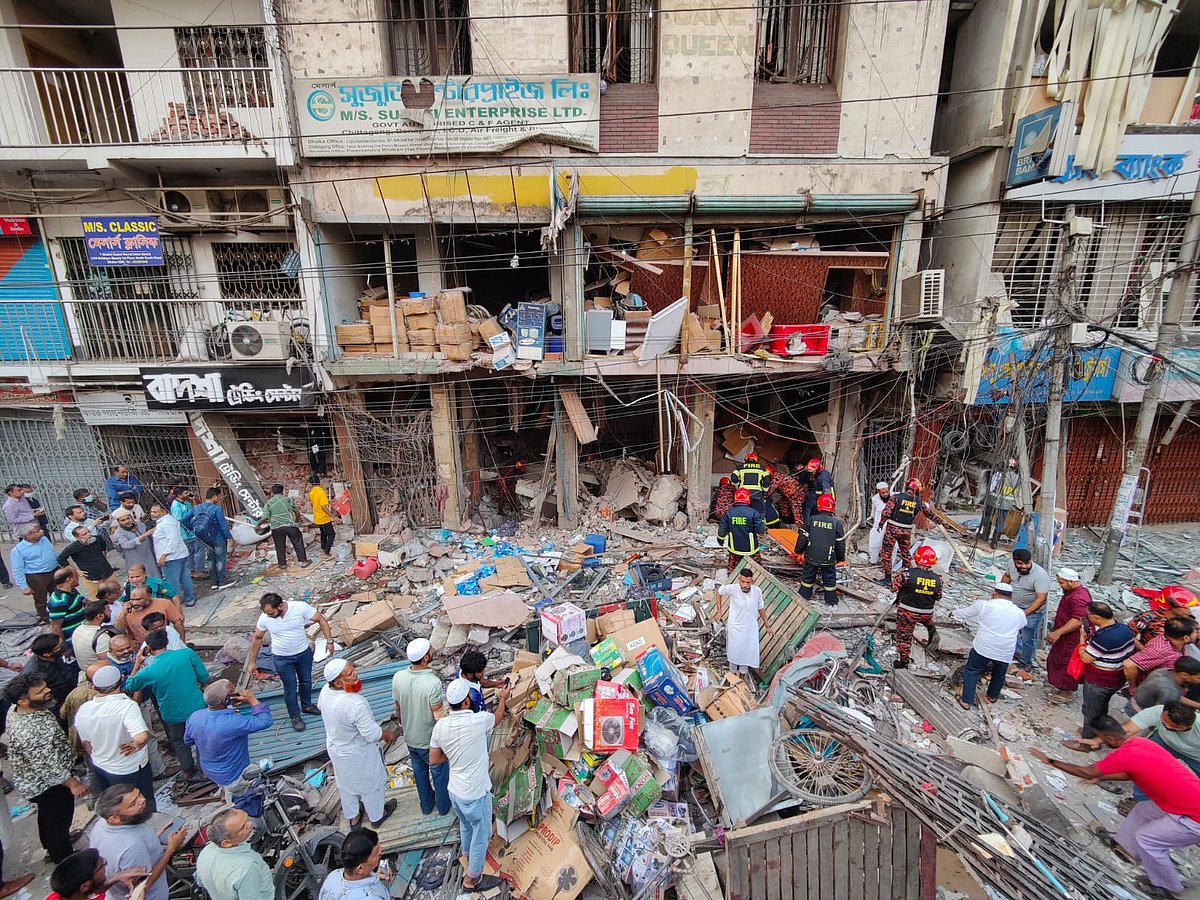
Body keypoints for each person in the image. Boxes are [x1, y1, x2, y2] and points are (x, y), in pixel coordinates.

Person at [1030, 716, 1200, 899]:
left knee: (1148, 840)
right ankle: (1126, 848)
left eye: (1101, 738)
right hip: (1186, 800)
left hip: (1193, 817)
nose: (1100, 742)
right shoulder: (1141, 743)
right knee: (1142, 811)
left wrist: (1050, 761)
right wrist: (1101, 777)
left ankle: (1172, 889)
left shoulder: (1127, 753)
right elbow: (1131, 773)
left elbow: (1086, 771)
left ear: (1110, 738)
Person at [430, 679, 511, 895]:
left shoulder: (441, 726)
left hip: (455, 791)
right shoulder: (479, 720)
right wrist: (502, 698)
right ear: (467, 701)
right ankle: (472, 878)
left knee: (465, 826)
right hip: (476, 792)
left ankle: (466, 857)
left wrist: (455, 753)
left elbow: (435, 759)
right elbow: (499, 717)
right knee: (481, 835)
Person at [3, 672, 89, 862]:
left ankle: (53, 844)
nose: (48, 690)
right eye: (40, 691)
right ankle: (63, 857)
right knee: (59, 818)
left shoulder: (21, 709)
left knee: (49, 817)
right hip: (47, 783)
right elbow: (47, 766)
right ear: (23, 701)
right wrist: (73, 783)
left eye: (45, 686)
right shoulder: (28, 731)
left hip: (43, 776)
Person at [319, 658, 398, 828]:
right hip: (358, 752)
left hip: (336, 748)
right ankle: (377, 816)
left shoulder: (325, 691)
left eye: (353, 668)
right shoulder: (355, 704)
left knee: (346, 785)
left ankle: (353, 817)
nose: (356, 674)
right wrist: (388, 734)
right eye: (350, 674)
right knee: (371, 785)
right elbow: (371, 734)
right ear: (339, 683)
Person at [125, 630, 208, 785]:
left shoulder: (149, 669)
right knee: (201, 738)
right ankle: (205, 769)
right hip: (196, 706)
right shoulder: (186, 654)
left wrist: (137, 663)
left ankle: (188, 769)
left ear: (148, 648)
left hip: (172, 712)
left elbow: (129, 685)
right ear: (167, 642)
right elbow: (203, 676)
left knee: (179, 741)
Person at [246, 593, 333, 731]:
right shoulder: (265, 618)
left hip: (303, 654)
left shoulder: (299, 608)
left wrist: (329, 641)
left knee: (306, 681)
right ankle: (295, 716)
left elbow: (320, 619)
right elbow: (257, 638)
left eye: (271, 612)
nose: (269, 616)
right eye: (267, 613)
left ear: (280, 606)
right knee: (290, 688)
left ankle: (307, 705)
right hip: (282, 658)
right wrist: (252, 662)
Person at [74, 666, 154, 805]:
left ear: (94, 687)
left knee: (118, 804)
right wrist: (136, 745)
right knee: (142, 802)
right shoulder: (126, 706)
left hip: (101, 765)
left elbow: (86, 744)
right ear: (122, 680)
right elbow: (141, 737)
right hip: (129, 767)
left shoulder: (84, 709)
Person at [1062, 601, 1136, 753]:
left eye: (1088, 616)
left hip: (1099, 680)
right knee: (1101, 707)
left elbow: (1086, 658)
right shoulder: (1123, 628)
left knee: (1091, 710)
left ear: (1096, 618)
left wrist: (1082, 639)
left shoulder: (1104, 637)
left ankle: (1087, 743)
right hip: (1116, 677)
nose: (1087, 619)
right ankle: (1098, 732)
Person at [90, 786, 186, 900]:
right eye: (133, 803)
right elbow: (144, 886)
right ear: (114, 818)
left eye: (139, 794)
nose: (142, 800)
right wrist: (171, 848)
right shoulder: (132, 847)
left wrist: (152, 839)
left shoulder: (102, 824)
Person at [390, 639, 449, 816]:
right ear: (425, 658)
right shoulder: (432, 683)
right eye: (430, 651)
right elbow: (438, 716)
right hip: (429, 740)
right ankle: (444, 807)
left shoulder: (398, 677)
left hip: (410, 737)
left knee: (420, 773)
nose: (432, 652)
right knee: (439, 773)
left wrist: (404, 725)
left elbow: (398, 708)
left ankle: (426, 806)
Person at [184, 680, 273, 795]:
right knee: (241, 799)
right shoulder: (232, 722)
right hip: (233, 774)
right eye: (233, 691)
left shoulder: (195, 716)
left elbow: (188, 741)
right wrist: (252, 700)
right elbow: (265, 721)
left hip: (209, 770)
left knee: (226, 788)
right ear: (225, 700)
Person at [951, 582, 1026, 709]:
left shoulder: (984, 605)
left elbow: (965, 613)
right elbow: (1022, 625)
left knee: (972, 670)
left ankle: (966, 700)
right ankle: (992, 696)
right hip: (1005, 649)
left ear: (994, 594)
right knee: (999, 673)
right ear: (1010, 597)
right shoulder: (1019, 612)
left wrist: (954, 613)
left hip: (984, 646)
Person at [196, 808, 274, 900]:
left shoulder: (205, 852)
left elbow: (200, 881)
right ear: (226, 843)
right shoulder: (247, 867)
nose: (250, 824)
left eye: (247, 819)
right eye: (242, 827)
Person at [1001, 549, 1052, 683]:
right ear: (1014, 561)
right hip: (1014, 606)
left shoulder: (1040, 575)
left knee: (1028, 636)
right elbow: (1007, 577)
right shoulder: (1011, 566)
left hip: (1032, 611)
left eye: (1027, 563)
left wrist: (1023, 614)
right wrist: (1000, 591)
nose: (1024, 566)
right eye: (1020, 563)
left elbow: (1041, 599)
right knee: (1011, 631)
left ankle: (1026, 662)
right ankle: (1014, 653)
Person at [1044, 566, 1093, 702]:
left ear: (1070, 582)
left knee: (1067, 662)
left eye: (1062, 583)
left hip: (1072, 637)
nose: (1060, 585)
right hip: (1066, 635)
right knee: (1057, 659)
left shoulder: (1078, 597)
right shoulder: (1076, 593)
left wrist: (1058, 632)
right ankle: (1059, 685)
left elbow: (1078, 620)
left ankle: (1066, 692)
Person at [890, 544, 942, 669]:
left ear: (917, 559)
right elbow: (938, 597)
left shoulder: (907, 574)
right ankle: (931, 628)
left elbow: (893, 588)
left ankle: (903, 661)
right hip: (926, 612)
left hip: (908, 612)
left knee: (904, 637)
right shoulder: (938, 579)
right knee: (926, 620)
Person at [714, 569, 774, 675]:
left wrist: (767, 625)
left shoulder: (757, 591)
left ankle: (741, 678)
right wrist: (719, 611)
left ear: (752, 581)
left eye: (748, 582)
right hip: (735, 627)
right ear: (739, 580)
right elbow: (719, 592)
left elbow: (761, 608)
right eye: (743, 582)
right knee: (734, 653)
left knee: (747, 653)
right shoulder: (733, 589)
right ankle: (732, 677)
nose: (745, 585)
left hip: (750, 628)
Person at [793, 493, 845, 607]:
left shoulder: (811, 520)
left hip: (811, 556)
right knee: (830, 579)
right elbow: (840, 543)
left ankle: (804, 596)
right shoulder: (836, 524)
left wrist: (798, 551)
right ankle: (831, 600)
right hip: (828, 558)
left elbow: (803, 538)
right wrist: (841, 558)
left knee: (807, 577)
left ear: (818, 505)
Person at [1124, 617, 1197, 691]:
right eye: (1195, 632)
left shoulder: (1172, 639)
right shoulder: (1160, 650)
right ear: (1186, 638)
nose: (1197, 634)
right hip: (1155, 689)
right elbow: (1129, 664)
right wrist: (1133, 687)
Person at [317, 827, 392, 900]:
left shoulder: (333, 876)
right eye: (376, 852)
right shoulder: (372, 897)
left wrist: (375, 876)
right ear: (360, 868)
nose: (380, 852)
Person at [47, 849, 147, 900]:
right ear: (84, 886)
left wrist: (116, 877)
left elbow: (93, 890)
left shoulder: (58, 895)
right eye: (101, 866)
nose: (105, 866)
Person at [877, 478, 926, 581]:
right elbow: (929, 514)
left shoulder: (896, 497)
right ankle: (909, 577)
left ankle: (887, 578)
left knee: (886, 554)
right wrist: (941, 522)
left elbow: (886, 513)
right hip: (906, 531)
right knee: (905, 553)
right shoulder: (919, 502)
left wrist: (881, 523)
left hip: (892, 529)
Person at [11, 523, 60, 621]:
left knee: (59, 595)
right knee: (41, 600)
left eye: (40, 529)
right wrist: (24, 587)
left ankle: (60, 614)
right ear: (28, 535)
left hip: (54, 571)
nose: (42, 531)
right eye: (38, 531)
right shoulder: (18, 550)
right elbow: (17, 569)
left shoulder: (44, 540)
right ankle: (45, 618)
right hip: (37, 577)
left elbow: (53, 553)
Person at [189, 488, 235, 590]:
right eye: (218, 496)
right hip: (218, 538)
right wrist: (230, 537)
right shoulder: (216, 508)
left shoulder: (196, 508)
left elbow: (183, 520)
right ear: (214, 497)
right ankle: (222, 582)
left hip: (205, 538)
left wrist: (192, 529)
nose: (219, 498)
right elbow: (223, 525)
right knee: (220, 559)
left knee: (210, 560)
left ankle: (214, 583)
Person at [149, 504, 194, 607]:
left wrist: (164, 555)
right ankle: (189, 599)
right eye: (152, 512)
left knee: (172, 582)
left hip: (172, 557)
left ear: (163, 512)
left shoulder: (167, 523)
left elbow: (173, 540)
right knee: (184, 578)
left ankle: (176, 604)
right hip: (178, 555)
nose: (153, 514)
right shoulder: (165, 522)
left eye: (155, 512)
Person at [1129, 586, 1199, 650]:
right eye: (1186, 608)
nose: (1190, 610)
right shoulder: (1148, 618)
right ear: (1172, 606)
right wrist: (1144, 650)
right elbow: (1129, 635)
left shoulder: (1189, 619)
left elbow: (1197, 636)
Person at [259, 484, 310, 570]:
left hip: (276, 527)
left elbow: (265, 517)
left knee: (279, 545)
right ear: (282, 491)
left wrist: (257, 525)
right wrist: (297, 521)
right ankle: (303, 561)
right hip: (290, 525)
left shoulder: (269, 503)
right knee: (298, 542)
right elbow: (297, 512)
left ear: (272, 492)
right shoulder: (288, 500)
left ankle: (282, 564)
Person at [24, 632, 79, 712]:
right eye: (60, 646)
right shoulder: (34, 672)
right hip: (57, 704)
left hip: (69, 691)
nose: (63, 647)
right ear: (47, 654)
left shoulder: (55, 656)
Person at [58, 526, 115, 600]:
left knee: (115, 593)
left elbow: (103, 548)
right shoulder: (73, 548)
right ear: (77, 538)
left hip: (108, 572)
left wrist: (103, 559)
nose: (89, 535)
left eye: (88, 532)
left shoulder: (97, 539)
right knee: (97, 599)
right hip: (92, 577)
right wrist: (76, 571)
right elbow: (61, 559)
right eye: (84, 534)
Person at [718, 488, 767, 574]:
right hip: (751, 548)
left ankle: (733, 584)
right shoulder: (753, 513)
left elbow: (722, 530)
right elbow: (760, 530)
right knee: (756, 570)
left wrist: (720, 540)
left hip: (734, 548)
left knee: (733, 571)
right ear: (748, 498)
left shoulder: (729, 513)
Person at [1129, 657, 1200, 714]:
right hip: (1138, 713)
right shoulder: (1169, 690)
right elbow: (1156, 713)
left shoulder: (1165, 671)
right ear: (1184, 675)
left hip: (1134, 703)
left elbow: (1177, 696)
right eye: (1198, 678)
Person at [117, 587, 186, 646]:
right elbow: (119, 631)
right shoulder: (127, 610)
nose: (135, 603)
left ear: (149, 596)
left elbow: (177, 622)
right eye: (132, 599)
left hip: (166, 643)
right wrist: (123, 614)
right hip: (143, 647)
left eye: (139, 599)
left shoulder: (164, 603)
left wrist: (182, 641)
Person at [978, 458, 1022, 547]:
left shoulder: (998, 474)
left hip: (993, 499)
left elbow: (991, 486)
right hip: (1007, 502)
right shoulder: (1018, 477)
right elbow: (1017, 492)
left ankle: (985, 535)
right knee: (1001, 521)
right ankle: (995, 541)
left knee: (987, 516)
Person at [169, 487, 207, 580]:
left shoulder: (186, 502)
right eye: (185, 493)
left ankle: (193, 570)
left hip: (190, 531)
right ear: (179, 495)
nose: (187, 494)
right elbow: (179, 520)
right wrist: (191, 527)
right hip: (186, 533)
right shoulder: (176, 506)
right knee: (198, 551)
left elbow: (193, 511)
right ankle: (198, 571)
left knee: (192, 552)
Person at [111, 510, 158, 578]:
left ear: (132, 518)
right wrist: (143, 536)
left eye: (128, 518)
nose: (127, 521)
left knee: (156, 578)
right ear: (118, 522)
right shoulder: (119, 533)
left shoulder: (140, 525)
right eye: (123, 520)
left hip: (150, 557)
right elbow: (125, 545)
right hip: (135, 561)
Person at [72, 599, 114, 674]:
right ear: (100, 616)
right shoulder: (101, 638)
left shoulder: (78, 629)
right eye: (108, 610)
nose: (111, 612)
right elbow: (108, 662)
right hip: (99, 674)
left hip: (86, 672)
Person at [47, 567, 88, 640]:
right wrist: (63, 647)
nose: (78, 579)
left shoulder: (72, 591)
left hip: (83, 632)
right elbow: (56, 628)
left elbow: (84, 601)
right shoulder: (59, 602)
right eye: (76, 576)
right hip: (73, 639)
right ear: (69, 579)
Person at [730, 452, 770, 516]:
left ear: (746, 459)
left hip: (743, 494)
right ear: (756, 460)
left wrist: (737, 487)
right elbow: (767, 481)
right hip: (757, 494)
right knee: (758, 513)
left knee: (742, 513)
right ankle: (757, 525)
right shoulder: (762, 468)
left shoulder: (740, 467)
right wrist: (765, 490)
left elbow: (733, 477)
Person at [308, 474, 338, 559]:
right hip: (324, 517)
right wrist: (333, 517)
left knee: (323, 533)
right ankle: (326, 552)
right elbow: (323, 507)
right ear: (319, 482)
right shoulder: (321, 492)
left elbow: (313, 504)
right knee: (331, 534)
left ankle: (323, 547)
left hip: (317, 516)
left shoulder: (311, 493)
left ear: (311, 484)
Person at [800, 458, 833, 525]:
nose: (811, 473)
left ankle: (806, 525)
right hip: (817, 494)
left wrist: (825, 503)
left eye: (812, 471)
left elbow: (826, 491)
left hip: (821, 497)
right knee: (812, 511)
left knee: (807, 509)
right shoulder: (819, 474)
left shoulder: (823, 477)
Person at [868, 482, 890, 564]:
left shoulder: (893, 497)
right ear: (878, 492)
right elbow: (873, 512)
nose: (885, 494)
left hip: (890, 524)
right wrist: (871, 517)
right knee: (874, 543)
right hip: (878, 524)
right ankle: (873, 560)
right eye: (882, 493)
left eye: (886, 492)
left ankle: (888, 562)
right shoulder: (875, 499)